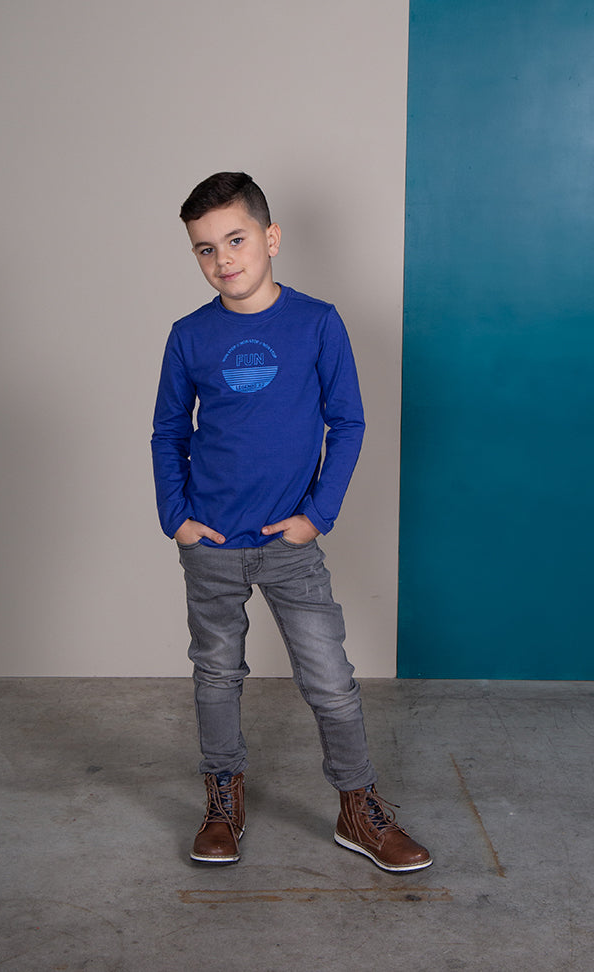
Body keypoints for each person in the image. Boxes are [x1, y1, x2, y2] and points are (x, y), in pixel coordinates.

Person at [151, 172, 432, 873]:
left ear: (270, 237)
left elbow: (349, 421)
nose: (224, 259)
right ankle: (223, 800)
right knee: (216, 675)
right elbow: (169, 432)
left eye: (236, 240)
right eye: (205, 248)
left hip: (289, 545)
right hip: (212, 544)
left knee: (330, 679)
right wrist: (176, 518)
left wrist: (318, 515)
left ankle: (357, 806)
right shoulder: (189, 336)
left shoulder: (317, 323)